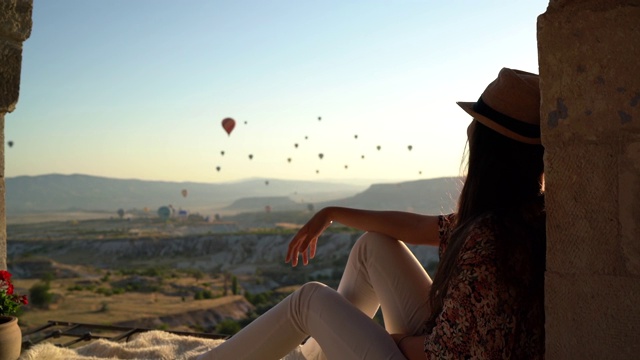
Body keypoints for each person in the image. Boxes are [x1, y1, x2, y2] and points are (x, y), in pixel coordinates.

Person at [197, 67, 546, 360]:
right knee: (372, 247)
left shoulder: (491, 239)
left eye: (477, 124)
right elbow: (414, 226)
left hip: (433, 353)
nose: (469, 131)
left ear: (491, 148)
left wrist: (395, 343)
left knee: (308, 300)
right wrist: (331, 212)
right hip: (439, 342)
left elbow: (450, 353)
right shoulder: (516, 216)